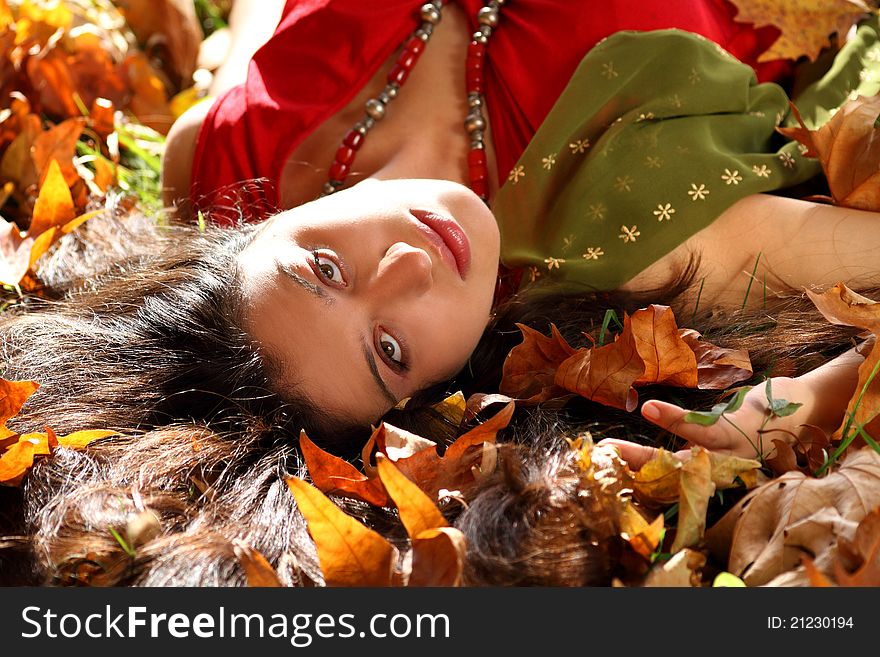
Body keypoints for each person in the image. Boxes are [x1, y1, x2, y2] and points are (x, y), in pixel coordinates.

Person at [0, 0, 878, 586]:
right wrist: (828, 390)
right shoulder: (643, 234)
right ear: (441, 397)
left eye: (324, 269)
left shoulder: (229, 152)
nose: (409, 266)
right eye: (389, 347)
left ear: (252, 228)